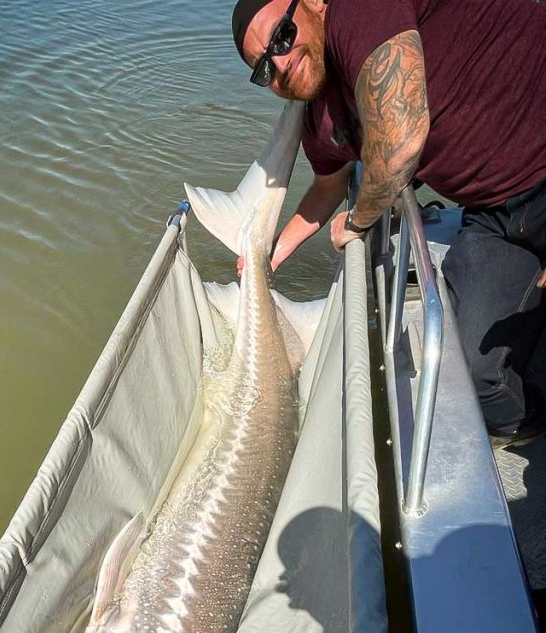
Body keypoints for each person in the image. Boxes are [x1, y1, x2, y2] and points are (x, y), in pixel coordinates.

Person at [231, 0, 546, 446]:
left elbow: (400, 138)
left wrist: (359, 221)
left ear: (314, 5)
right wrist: (269, 256)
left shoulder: (359, 9)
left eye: (281, 36)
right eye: (263, 68)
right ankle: (529, 419)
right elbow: (326, 190)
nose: (280, 64)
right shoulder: (320, 118)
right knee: (473, 381)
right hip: (492, 213)